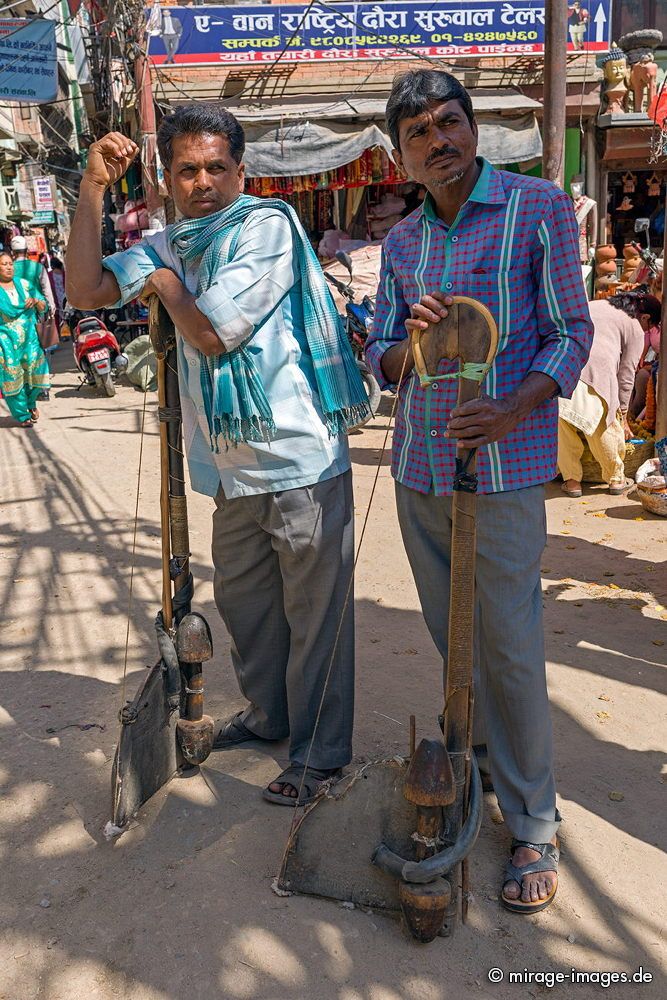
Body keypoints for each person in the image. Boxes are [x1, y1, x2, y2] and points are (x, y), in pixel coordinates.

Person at [65, 104, 369, 806]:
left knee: (315, 616)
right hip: (230, 466)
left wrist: (162, 282)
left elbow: (213, 335)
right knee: (248, 607)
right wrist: (90, 190)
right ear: (167, 178)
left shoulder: (264, 228)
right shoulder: (174, 240)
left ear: (241, 169)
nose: (202, 181)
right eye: (186, 170)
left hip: (297, 458)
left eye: (215, 167)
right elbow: (84, 291)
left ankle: (319, 755)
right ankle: (269, 718)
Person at [365, 70, 593, 914]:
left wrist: (509, 407)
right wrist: (409, 346)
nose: (439, 141)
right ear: (402, 154)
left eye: (449, 122)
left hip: (501, 470)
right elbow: (383, 358)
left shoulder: (535, 207)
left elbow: (570, 334)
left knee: (507, 644)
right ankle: (488, 772)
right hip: (421, 467)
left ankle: (533, 823)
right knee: (450, 640)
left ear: (473, 126)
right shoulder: (400, 244)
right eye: (418, 132)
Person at [559, 292, 659, 497]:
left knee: (563, 424)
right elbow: (626, 374)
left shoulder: (594, 304)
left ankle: (571, 482)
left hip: (563, 368)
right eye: (650, 326)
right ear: (645, 317)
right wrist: (622, 413)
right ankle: (616, 479)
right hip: (597, 374)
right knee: (602, 425)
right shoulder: (634, 327)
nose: (647, 331)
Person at [0, 251, 49, 427]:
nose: (8, 267)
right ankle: (22, 415)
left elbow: (44, 305)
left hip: (30, 339)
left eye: (10, 264)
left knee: (35, 373)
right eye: (4, 264)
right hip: (6, 341)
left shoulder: (24, 284)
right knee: (13, 375)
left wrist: (36, 301)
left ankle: (31, 403)